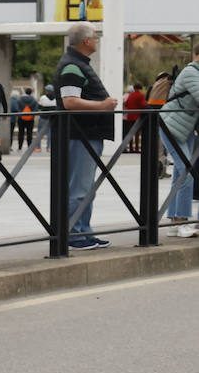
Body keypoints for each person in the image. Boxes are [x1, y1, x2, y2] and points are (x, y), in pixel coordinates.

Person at [55, 22, 117, 250]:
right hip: (80, 135)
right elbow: (69, 101)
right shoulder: (72, 66)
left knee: (85, 188)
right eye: (95, 37)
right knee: (80, 187)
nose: (97, 40)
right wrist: (102, 105)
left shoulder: (77, 63)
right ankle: (74, 235)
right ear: (86, 41)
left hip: (86, 134)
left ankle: (83, 231)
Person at [159, 46, 199, 237]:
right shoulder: (191, 72)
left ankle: (174, 222)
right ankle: (182, 221)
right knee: (185, 172)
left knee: (179, 173)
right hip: (172, 125)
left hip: (186, 128)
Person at [123, 82, 146, 153]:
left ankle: (130, 148)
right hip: (137, 116)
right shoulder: (141, 95)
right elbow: (143, 105)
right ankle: (136, 148)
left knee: (130, 133)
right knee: (137, 133)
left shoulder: (130, 95)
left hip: (130, 116)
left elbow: (126, 104)